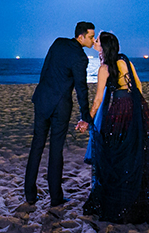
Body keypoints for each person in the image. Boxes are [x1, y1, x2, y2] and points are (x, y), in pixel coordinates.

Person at [82, 31, 149, 223]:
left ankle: (117, 200)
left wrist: (87, 119)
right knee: (133, 151)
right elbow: (138, 86)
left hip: (118, 111)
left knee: (114, 153)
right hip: (134, 108)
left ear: (103, 48)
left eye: (98, 42)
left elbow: (97, 100)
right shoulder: (124, 61)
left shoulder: (104, 69)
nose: (95, 43)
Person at [24, 21, 95, 207]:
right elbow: (81, 88)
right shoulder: (80, 57)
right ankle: (55, 197)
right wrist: (85, 115)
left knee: (37, 146)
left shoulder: (58, 42)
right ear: (81, 36)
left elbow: (45, 69)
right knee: (56, 151)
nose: (93, 40)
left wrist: (43, 92)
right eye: (90, 36)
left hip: (42, 98)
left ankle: (30, 195)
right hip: (60, 106)